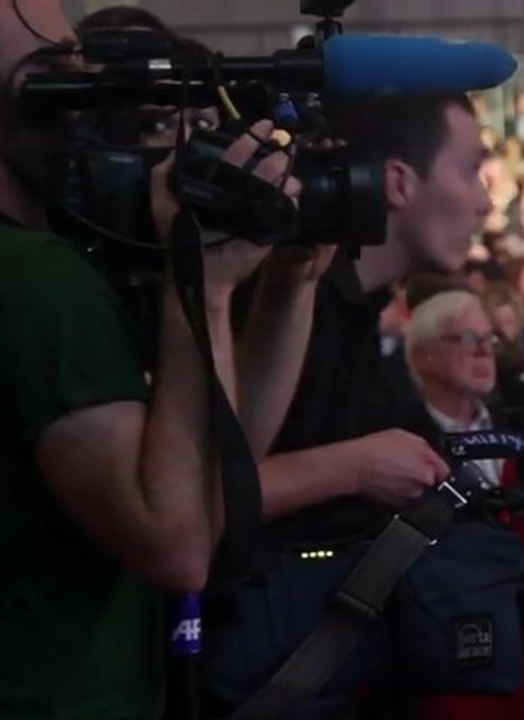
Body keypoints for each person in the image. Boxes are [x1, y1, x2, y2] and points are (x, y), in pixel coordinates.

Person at [0, 2, 321, 717]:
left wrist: (290, 285)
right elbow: (179, 549)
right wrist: (202, 283)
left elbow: (216, 485)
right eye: (62, 79)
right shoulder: (41, 283)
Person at [201, 92, 495, 717]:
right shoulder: (275, 298)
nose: (485, 201)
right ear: (399, 182)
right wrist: (353, 468)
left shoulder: (364, 311)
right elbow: (203, 497)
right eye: (472, 170)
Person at [400, 290, 503, 488]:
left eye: (489, 339)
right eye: (467, 339)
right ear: (422, 357)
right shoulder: (403, 441)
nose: (484, 351)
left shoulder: (517, 424)